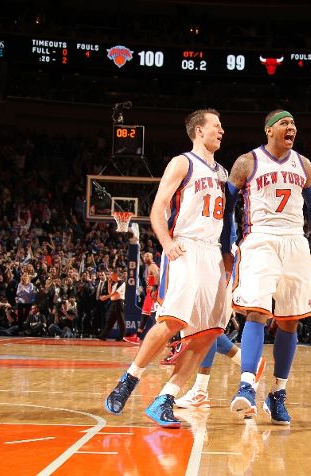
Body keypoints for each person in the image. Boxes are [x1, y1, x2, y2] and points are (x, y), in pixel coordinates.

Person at [104, 108, 233, 428]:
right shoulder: (183, 163)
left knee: (210, 331)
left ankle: (166, 397)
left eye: (221, 127)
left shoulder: (223, 172)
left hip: (213, 253)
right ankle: (129, 380)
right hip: (186, 246)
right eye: (216, 126)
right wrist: (166, 242)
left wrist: (228, 255)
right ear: (198, 131)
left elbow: (226, 219)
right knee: (173, 320)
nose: (221, 131)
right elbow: (158, 208)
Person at [224, 110, 311, 425]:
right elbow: (227, 206)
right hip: (260, 240)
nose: (291, 127)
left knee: (290, 322)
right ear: (269, 129)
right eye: (285, 123)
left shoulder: (304, 164)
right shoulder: (247, 162)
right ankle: (246, 385)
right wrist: (227, 243)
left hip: (296, 242)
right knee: (257, 312)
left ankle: (278, 394)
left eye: (294, 123)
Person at [124, 252, 160, 345]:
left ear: (151, 258)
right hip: (149, 293)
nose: (145, 258)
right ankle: (137, 336)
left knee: (154, 315)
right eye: (144, 256)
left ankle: (157, 338)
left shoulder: (153, 266)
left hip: (153, 294)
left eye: (147, 256)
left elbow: (158, 276)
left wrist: (154, 288)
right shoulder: (148, 267)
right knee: (144, 314)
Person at [97, 270, 126, 341]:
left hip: (119, 302)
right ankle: (103, 335)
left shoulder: (121, 282)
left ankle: (123, 336)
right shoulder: (114, 283)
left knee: (121, 320)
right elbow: (110, 293)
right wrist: (109, 285)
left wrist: (105, 297)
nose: (110, 276)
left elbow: (116, 293)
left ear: (116, 275)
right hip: (113, 302)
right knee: (110, 320)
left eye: (112, 275)